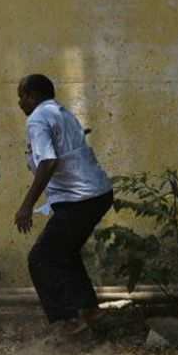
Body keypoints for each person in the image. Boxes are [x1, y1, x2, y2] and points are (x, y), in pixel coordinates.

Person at [15, 74, 114, 336]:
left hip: (80, 198)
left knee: (41, 258)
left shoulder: (37, 118)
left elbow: (48, 161)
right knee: (64, 253)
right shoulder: (63, 113)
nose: (19, 103)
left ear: (32, 96)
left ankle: (68, 322)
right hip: (96, 194)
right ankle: (90, 312)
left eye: (22, 96)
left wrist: (26, 206)